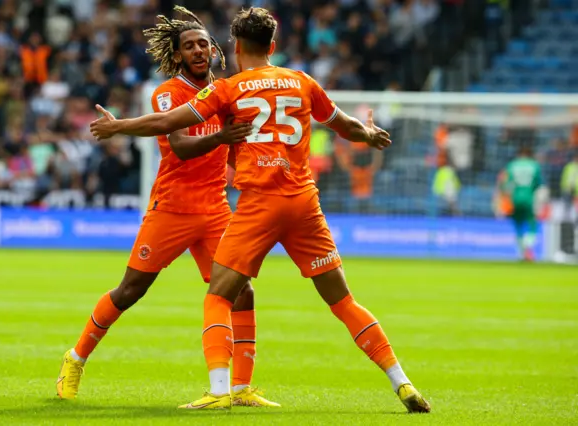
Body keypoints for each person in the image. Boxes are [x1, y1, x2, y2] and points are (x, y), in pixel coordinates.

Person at [90, 7, 430, 413]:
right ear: (272, 45)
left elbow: (168, 122)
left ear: (235, 47)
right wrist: (370, 134)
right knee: (343, 301)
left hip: (259, 205)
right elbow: (345, 125)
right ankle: (402, 382)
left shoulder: (229, 88)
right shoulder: (301, 81)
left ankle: (219, 390)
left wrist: (117, 127)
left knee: (219, 294)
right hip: (304, 203)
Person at [57, 7, 280, 408]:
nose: (198, 51)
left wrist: (259, 171)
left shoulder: (226, 92)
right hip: (171, 209)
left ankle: (241, 387)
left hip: (215, 210)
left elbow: (233, 153)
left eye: (203, 44)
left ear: (214, 50)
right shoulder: (168, 93)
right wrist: (223, 136)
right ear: (177, 55)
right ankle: (76, 357)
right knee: (130, 291)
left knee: (242, 291)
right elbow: (180, 146)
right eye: (189, 46)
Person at [499, 145, 543, 261]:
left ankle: (521, 251)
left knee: (518, 223)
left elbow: (505, 184)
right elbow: (538, 183)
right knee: (532, 222)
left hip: (515, 197)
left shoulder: (512, 165)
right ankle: (528, 247)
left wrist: (505, 196)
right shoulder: (535, 165)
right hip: (529, 197)